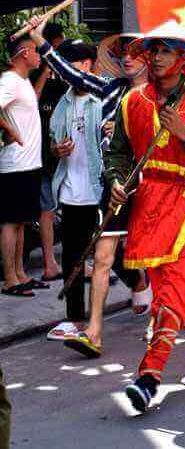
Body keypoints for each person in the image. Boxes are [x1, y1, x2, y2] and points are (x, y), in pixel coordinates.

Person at [105, 22, 185, 413]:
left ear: (184, 58)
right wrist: (116, 180)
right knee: (175, 293)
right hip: (148, 205)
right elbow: (118, 154)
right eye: (154, 50)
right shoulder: (132, 103)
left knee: (174, 289)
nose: (157, 57)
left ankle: (149, 376)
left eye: (166, 51)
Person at [23, 18, 152, 351]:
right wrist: (39, 38)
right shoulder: (110, 89)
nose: (128, 58)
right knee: (103, 257)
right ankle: (91, 330)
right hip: (112, 185)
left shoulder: (162, 96)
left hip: (151, 187)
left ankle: (158, 316)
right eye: (124, 52)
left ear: (150, 59)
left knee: (149, 255)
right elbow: (72, 76)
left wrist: (126, 134)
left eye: (136, 52)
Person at [43, 41, 106, 350]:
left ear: (91, 65)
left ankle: (139, 286)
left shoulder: (102, 96)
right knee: (72, 255)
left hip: (99, 188)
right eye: (73, 63)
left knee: (110, 256)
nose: (79, 68)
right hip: (70, 187)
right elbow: (54, 141)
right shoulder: (63, 103)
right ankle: (75, 318)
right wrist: (58, 149)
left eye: (83, 62)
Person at [1, 32, 43, 298]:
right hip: (14, 164)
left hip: (29, 163)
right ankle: (9, 279)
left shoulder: (23, 82)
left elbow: (30, 106)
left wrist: (47, 71)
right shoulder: (9, 81)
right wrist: (11, 132)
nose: (40, 54)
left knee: (21, 222)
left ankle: (20, 273)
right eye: (37, 50)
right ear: (25, 53)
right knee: (9, 222)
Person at [29, 21, 66, 283]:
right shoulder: (33, 77)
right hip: (40, 154)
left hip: (62, 154)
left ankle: (68, 258)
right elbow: (33, 100)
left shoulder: (64, 79)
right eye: (57, 46)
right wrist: (45, 68)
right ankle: (49, 263)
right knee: (47, 208)